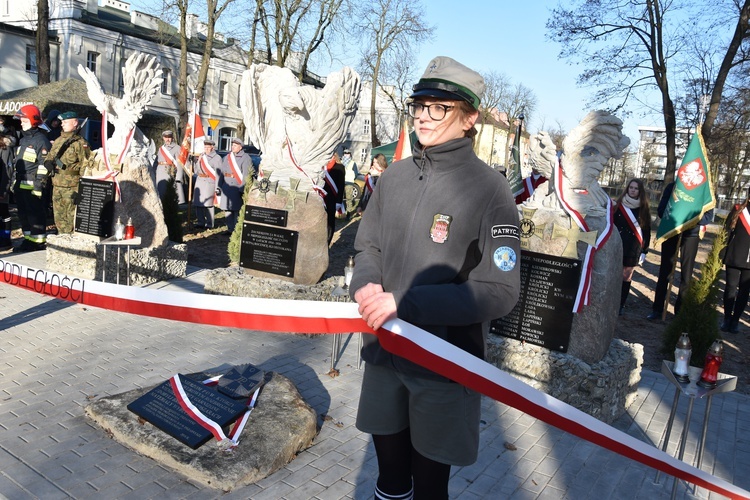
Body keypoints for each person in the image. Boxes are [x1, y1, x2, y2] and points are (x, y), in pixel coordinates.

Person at [349, 56, 521, 500]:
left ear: (470, 118)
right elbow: (368, 246)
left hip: (443, 363)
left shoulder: (491, 189)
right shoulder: (395, 177)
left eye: (438, 107)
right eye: (419, 105)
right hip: (383, 350)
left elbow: (500, 290)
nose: (423, 116)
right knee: (388, 480)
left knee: (429, 489)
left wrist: (404, 302)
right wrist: (366, 284)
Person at [647, 181, 714, 320]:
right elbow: (661, 210)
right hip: (671, 232)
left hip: (691, 235)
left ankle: (680, 312)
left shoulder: (703, 190)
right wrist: (677, 215)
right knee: (665, 272)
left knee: (686, 275)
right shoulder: (672, 187)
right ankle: (658, 309)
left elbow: (708, 216)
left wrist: (691, 220)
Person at [12, 104, 51, 253]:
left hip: (33, 185)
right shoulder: (23, 140)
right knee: (24, 215)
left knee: (35, 215)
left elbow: (45, 165)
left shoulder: (41, 140)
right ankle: (28, 240)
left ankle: (38, 242)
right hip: (21, 184)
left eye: (24, 120)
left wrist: (39, 185)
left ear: (33, 120)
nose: (21, 122)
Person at [45, 111, 91, 234]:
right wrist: (48, 163)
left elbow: (86, 165)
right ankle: (61, 236)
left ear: (75, 123)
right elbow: (50, 156)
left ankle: (70, 239)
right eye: (62, 122)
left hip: (72, 186)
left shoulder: (81, 143)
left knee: (71, 216)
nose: (62, 125)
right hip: (57, 184)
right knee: (59, 216)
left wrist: (82, 185)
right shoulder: (59, 140)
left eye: (65, 122)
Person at [613, 179, 651, 316]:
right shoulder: (618, 205)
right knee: (614, 274)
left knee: (626, 276)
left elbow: (646, 231)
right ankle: (610, 302)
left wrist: (644, 250)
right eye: (631, 187)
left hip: (633, 246)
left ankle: (620, 304)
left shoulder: (643, 208)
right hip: (617, 244)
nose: (633, 190)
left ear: (640, 191)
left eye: (636, 188)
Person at [720, 188, 750, 333]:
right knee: (730, 288)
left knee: (744, 291)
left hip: (749, 260)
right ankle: (727, 318)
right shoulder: (738, 209)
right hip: (734, 255)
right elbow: (726, 231)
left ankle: (735, 320)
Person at [216, 137, 253, 234]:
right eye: (232, 145)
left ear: (240, 147)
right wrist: (219, 186)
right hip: (226, 186)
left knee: (236, 209)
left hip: (236, 187)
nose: (233, 147)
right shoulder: (227, 157)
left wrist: (242, 188)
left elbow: (246, 175)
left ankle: (236, 230)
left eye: (235, 145)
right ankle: (230, 228)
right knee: (227, 208)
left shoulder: (246, 158)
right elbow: (222, 173)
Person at [193, 139, 220, 229]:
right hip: (200, 180)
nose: (206, 149)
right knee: (198, 203)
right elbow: (196, 171)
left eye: (208, 147)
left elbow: (218, 174)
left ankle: (209, 224)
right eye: (205, 147)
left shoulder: (217, 158)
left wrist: (218, 187)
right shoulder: (202, 156)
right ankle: (200, 222)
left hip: (209, 181)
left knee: (208, 204)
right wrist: (197, 161)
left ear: (212, 147)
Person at [153, 130, 186, 204]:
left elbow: (180, 164)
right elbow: (156, 162)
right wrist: (153, 172)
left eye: (169, 137)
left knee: (171, 195)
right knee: (161, 194)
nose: (167, 139)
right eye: (166, 137)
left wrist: (178, 177)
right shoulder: (161, 148)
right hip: (160, 173)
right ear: (163, 138)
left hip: (170, 172)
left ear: (172, 138)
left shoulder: (177, 148)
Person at [0, 118, 17, 251]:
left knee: (4, 213)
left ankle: (5, 240)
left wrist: (3, 190)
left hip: (1, 186)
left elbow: (7, 169)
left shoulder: (4, 147)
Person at [324, 152, 345, 244]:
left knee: (330, 222)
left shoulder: (340, 167)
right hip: (322, 198)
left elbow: (341, 186)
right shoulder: (322, 166)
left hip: (332, 199)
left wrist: (338, 202)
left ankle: (327, 242)